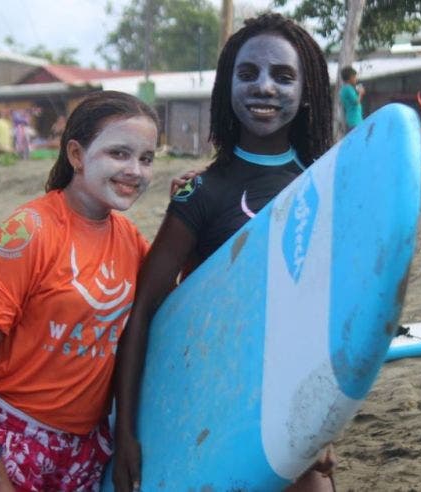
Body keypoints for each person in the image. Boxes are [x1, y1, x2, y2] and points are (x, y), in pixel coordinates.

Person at [112, 13, 338, 492]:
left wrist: (325, 422)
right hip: (214, 409)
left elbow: (331, 318)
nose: (264, 88)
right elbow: (143, 314)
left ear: (307, 91)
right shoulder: (201, 194)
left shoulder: (324, 187)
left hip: (289, 413)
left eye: (283, 76)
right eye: (248, 73)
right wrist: (125, 433)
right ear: (226, 86)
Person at [0, 90, 159, 492]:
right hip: (9, 440)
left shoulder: (129, 240)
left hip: (84, 449)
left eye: (145, 158)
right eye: (118, 154)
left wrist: (190, 202)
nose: (134, 170)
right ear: (77, 155)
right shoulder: (29, 231)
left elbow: (175, 300)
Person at [339, 66, 364, 132]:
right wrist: (360, 93)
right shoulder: (348, 88)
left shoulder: (345, 89)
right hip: (354, 121)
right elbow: (356, 101)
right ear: (350, 78)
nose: (356, 79)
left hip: (353, 120)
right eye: (354, 77)